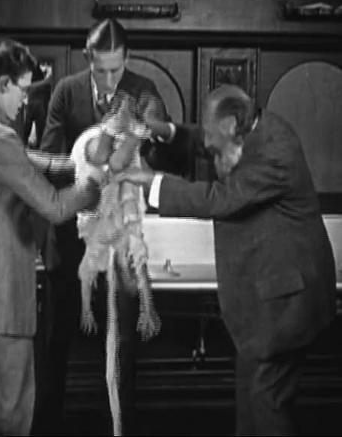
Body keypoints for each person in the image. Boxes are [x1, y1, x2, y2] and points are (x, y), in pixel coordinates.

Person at [116, 84, 337, 436]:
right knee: (253, 407)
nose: (206, 141)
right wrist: (167, 131)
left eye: (211, 132)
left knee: (266, 408)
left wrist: (153, 184)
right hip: (269, 304)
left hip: (285, 307)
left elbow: (221, 199)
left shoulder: (275, 151)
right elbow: (207, 139)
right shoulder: (250, 130)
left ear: (233, 124)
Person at [0, 37, 101, 436]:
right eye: (23, 89)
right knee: (15, 400)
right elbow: (54, 206)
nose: (26, 100)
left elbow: (24, 160)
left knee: (8, 394)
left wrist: (74, 165)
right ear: (3, 84)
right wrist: (96, 183)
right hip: (0, 284)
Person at [38, 17, 185, 435]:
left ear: (127, 59)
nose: (107, 80)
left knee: (121, 346)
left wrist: (146, 136)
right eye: (99, 70)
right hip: (71, 241)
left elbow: (165, 156)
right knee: (55, 343)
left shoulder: (143, 90)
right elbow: (50, 161)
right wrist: (87, 171)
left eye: (115, 70)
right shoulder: (66, 92)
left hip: (120, 242)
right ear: (88, 59)